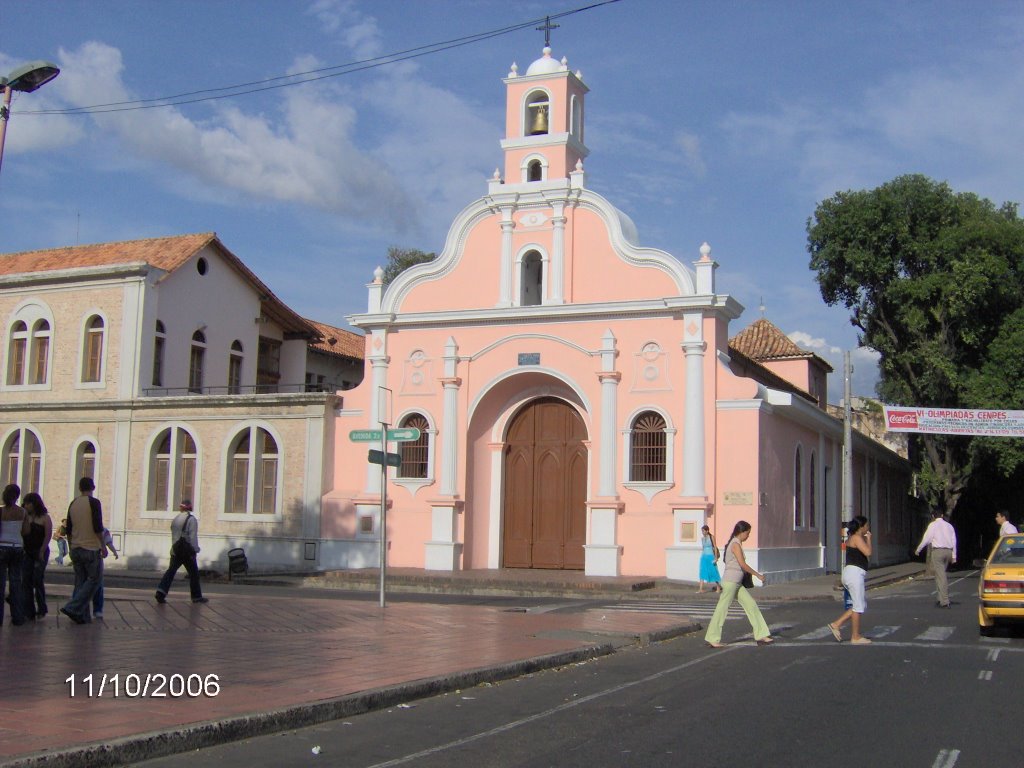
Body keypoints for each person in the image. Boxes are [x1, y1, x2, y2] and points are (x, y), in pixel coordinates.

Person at [704, 520, 773, 647]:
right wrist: (757, 574)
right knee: (722, 609)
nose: (748, 536)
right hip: (730, 582)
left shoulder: (736, 543)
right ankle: (712, 638)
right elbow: (742, 564)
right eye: (747, 533)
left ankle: (761, 634)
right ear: (741, 532)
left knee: (751, 605)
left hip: (736, 583)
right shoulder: (735, 544)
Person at [60, 477, 108, 624]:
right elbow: (97, 526)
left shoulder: (73, 503)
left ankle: (82, 615)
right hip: (91, 547)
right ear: (92, 487)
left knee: (80, 582)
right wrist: (103, 545)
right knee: (94, 580)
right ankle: (73, 607)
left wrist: (71, 545)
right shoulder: (94, 503)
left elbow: (68, 529)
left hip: (75, 547)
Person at [826, 516, 873, 644]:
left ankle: (837, 624)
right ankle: (855, 636)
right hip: (854, 574)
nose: (868, 528)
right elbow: (868, 552)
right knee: (858, 606)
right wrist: (869, 539)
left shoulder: (853, 538)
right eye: (866, 526)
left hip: (851, 573)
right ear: (861, 527)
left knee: (859, 604)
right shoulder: (857, 538)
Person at [155, 500, 208, 604]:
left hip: (175, 550)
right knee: (194, 574)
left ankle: (160, 592)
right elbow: (192, 536)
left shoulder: (176, 519)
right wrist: (195, 549)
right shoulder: (191, 519)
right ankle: (196, 596)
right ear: (190, 508)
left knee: (171, 572)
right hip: (187, 551)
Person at [914, 510, 957, 608]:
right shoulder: (949, 526)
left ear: (933, 516)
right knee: (939, 574)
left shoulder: (932, 525)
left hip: (938, 551)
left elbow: (927, 539)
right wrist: (954, 555)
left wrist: (918, 549)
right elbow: (954, 541)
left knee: (941, 576)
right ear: (942, 515)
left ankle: (945, 601)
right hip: (948, 551)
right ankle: (940, 598)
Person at [20, 492, 52, 620]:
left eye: (29, 503)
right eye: (25, 503)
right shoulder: (25, 517)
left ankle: (41, 607)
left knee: (37, 579)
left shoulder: (44, 518)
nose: (26, 506)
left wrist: (42, 550)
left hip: (40, 550)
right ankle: (29, 610)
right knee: (26, 579)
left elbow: (48, 535)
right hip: (27, 551)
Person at [0, 484, 27, 626]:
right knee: (16, 583)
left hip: (2, 547)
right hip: (17, 547)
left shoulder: (1, 511)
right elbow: (26, 531)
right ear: (17, 496)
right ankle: (18, 617)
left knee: (0, 583)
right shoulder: (22, 512)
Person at [91, 528, 119, 620]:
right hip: (96, 556)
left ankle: (79, 608)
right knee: (98, 584)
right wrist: (114, 552)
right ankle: (97, 610)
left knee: (82, 582)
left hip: (83, 554)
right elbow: (108, 543)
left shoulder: (83, 527)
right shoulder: (103, 530)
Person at [697, 524, 722, 593]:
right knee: (702, 571)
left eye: (703, 531)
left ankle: (718, 586)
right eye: (702, 531)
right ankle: (701, 588)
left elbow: (715, 547)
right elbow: (703, 548)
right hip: (704, 556)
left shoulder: (711, 537)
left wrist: (716, 558)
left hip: (711, 556)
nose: (702, 532)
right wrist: (702, 555)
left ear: (707, 531)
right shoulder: (702, 539)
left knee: (713, 571)